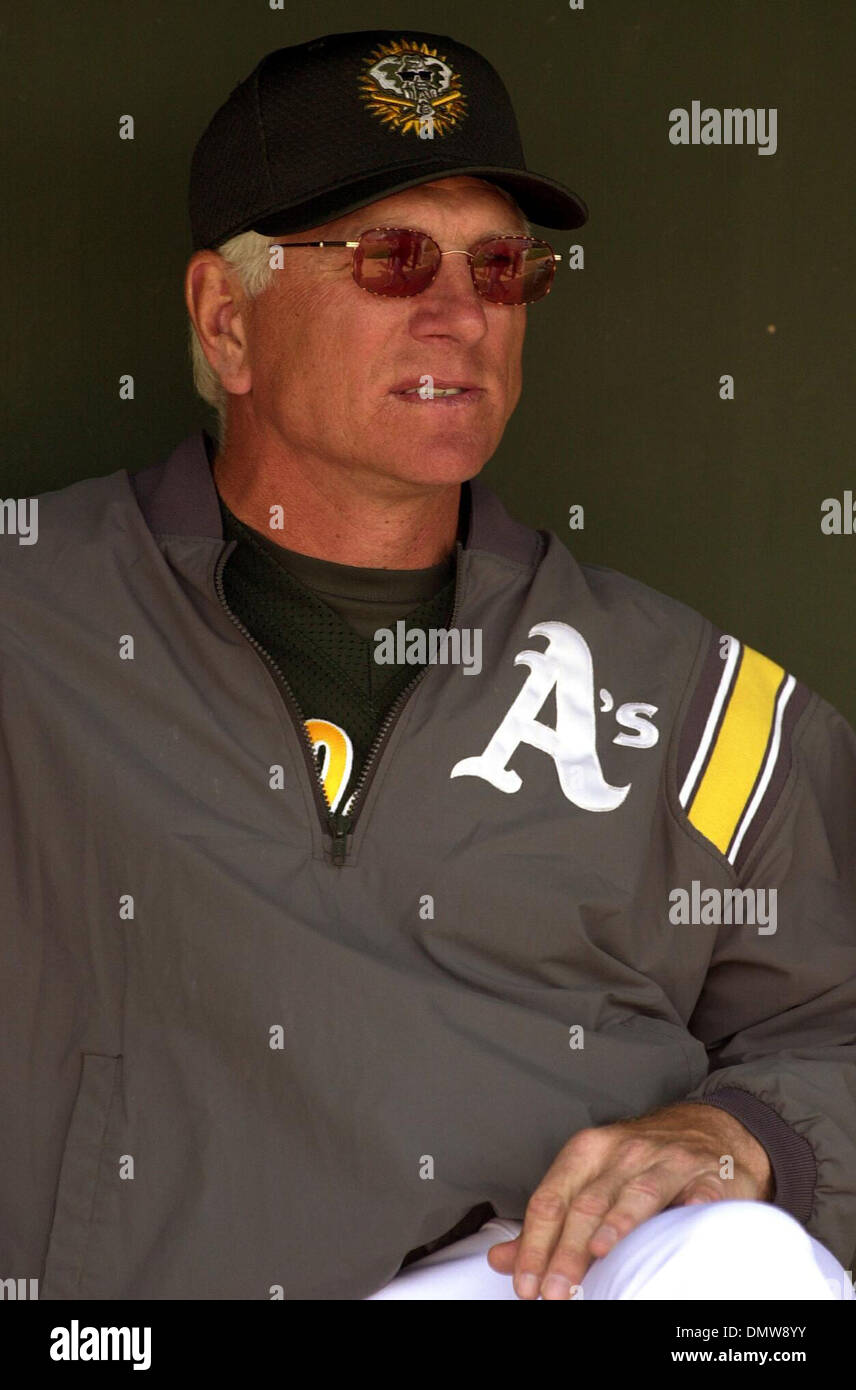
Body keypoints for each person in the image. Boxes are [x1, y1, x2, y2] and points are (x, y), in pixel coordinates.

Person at [1, 29, 854, 1302]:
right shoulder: (33, 616)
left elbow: (832, 1021)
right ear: (226, 317)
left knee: (743, 1265)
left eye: (500, 266)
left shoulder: (692, 696)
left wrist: (747, 1136)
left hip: (528, 1284)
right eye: (388, 257)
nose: (458, 313)